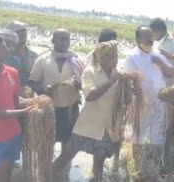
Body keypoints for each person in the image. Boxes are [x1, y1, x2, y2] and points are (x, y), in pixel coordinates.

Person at [53, 41, 126, 181]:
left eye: (116, 56)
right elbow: (90, 96)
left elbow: (124, 100)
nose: (115, 60)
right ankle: (46, 177)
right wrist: (110, 82)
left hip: (107, 127)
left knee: (99, 165)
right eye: (110, 57)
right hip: (87, 125)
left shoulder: (120, 75)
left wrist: (132, 92)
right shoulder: (89, 72)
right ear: (101, 58)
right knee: (64, 158)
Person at [0, 33, 33, 182]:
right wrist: (23, 112)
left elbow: (15, 101)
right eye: (3, 47)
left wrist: (36, 103)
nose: (8, 49)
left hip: (13, 134)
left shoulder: (12, 72)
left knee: (6, 177)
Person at [123, 26, 173, 165]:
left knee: (158, 136)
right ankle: (138, 167)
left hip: (159, 102)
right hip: (141, 103)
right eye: (146, 37)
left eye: (151, 36)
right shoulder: (132, 57)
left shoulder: (157, 53)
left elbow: (170, 73)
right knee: (138, 135)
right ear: (138, 39)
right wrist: (134, 90)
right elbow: (126, 79)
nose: (150, 40)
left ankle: (154, 166)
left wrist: (161, 62)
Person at [29, 29, 83, 154]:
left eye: (67, 40)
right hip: (49, 109)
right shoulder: (43, 59)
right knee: (47, 142)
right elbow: (32, 82)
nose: (65, 43)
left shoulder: (76, 61)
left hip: (70, 109)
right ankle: (46, 169)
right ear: (53, 41)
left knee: (68, 145)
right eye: (61, 39)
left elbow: (84, 84)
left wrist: (78, 83)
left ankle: (62, 170)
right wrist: (43, 89)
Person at [149, 18, 174, 86]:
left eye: (152, 33)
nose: (152, 36)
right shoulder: (155, 43)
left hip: (172, 86)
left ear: (160, 31)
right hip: (158, 86)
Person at [7, 21, 38, 87]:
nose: (22, 33)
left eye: (23, 31)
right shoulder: (3, 55)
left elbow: (36, 79)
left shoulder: (34, 56)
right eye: (18, 31)